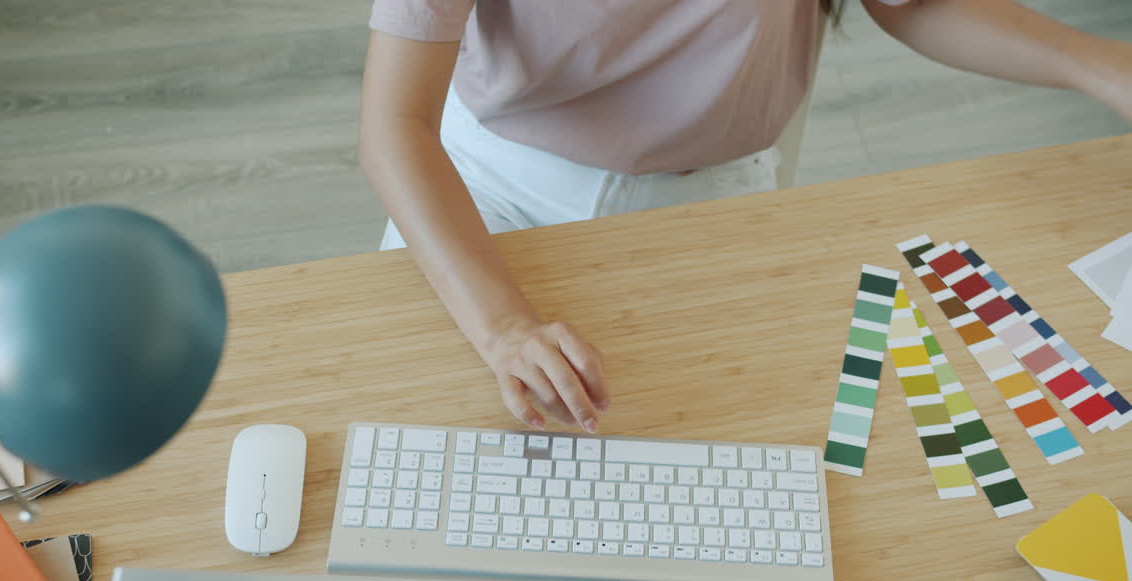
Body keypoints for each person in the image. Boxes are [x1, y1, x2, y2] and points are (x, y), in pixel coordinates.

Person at [358, 0, 1132, 435]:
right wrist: (502, 328)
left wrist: (1099, 65)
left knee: (716, 490)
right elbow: (394, 123)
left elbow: (914, 3)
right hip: (489, 190)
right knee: (439, 470)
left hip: (712, 203)